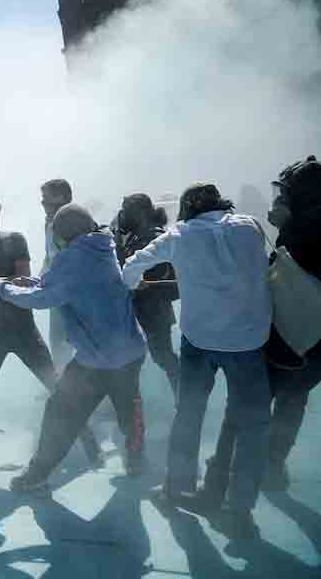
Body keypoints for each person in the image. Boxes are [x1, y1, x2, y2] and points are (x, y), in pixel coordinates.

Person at [0, 204, 146, 492]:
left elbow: (42, 298)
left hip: (96, 360)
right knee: (129, 409)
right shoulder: (102, 246)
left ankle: (36, 476)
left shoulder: (72, 257)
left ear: (63, 235)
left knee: (59, 413)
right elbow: (63, 283)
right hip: (129, 351)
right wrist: (32, 281)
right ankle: (136, 461)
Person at [122, 184, 271, 537]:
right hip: (248, 341)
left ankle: (177, 489)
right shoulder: (249, 226)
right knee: (252, 428)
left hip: (200, 341)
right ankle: (240, 510)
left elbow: (131, 268)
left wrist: (138, 283)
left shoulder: (180, 234)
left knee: (188, 414)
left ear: (187, 209)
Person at [0, 191, 102, 468]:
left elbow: (23, 279)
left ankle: (88, 439)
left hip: (22, 330)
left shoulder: (14, 241)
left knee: (57, 386)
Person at [204, 157, 321, 496]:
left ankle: (220, 485)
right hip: (313, 343)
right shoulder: (306, 222)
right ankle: (273, 468)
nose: (280, 198)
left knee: (243, 406)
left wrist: (290, 224)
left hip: (286, 337)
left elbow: (290, 270)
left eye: (287, 192)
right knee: (292, 402)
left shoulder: (307, 225)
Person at [113, 194, 180, 398]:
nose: (122, 215)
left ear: (140, 213)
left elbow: (152, 273)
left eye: (126, 210)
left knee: (163, 357)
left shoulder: (154, 237)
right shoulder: (138, 235)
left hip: (154, 310)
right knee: (125, 357)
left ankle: (182, 395)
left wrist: (119, 246)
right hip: (139, 309)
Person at [40, 179, 74, 372]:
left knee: (80, 339)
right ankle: (63, 383)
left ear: (61, 198)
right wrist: (39, 278)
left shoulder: (74, 222)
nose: (43, 205)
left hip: (76, 293)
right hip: (57, 292)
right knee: (58, 340)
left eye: (46, 200)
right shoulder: (49, 223)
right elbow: (49, 256)